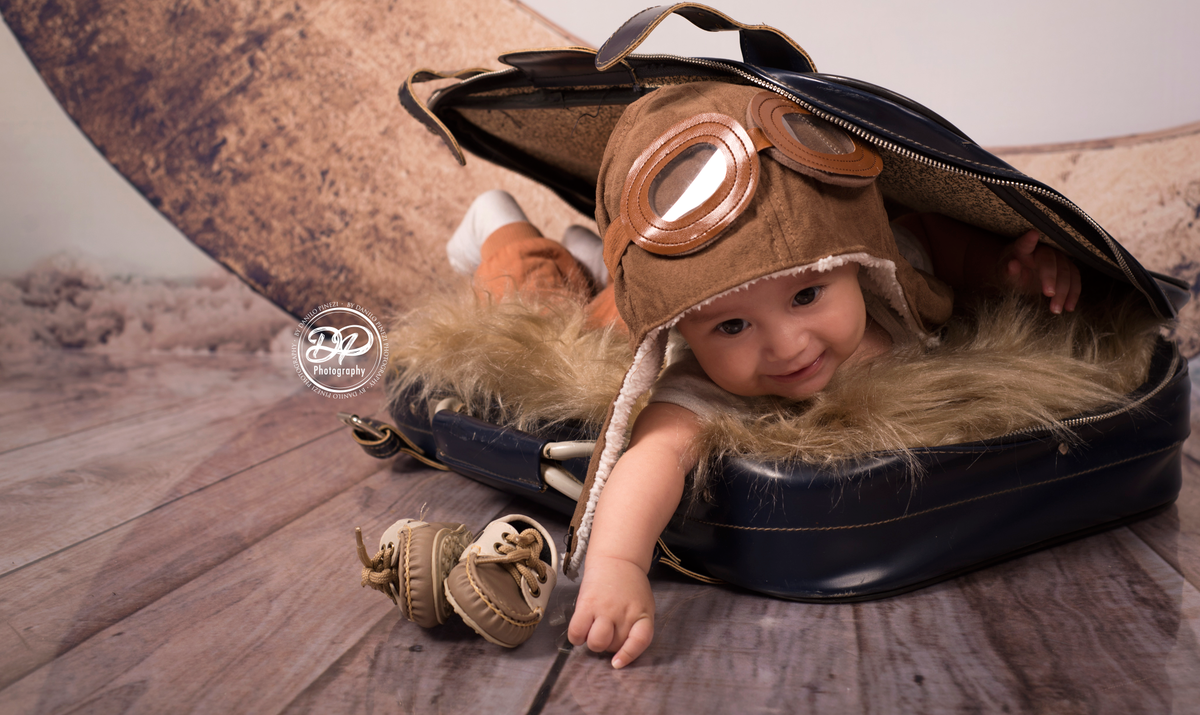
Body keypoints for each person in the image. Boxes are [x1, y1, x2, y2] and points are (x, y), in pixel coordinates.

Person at [447, 81, 1082, 669]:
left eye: (808, 296)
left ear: (857, 262)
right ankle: (500, 224)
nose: (786, 346)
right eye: (731, 328)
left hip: (668, 279)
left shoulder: (885, 271)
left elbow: (938, 242)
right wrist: (617, 563)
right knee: (543, 310)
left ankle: (592, 257)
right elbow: (654, 457)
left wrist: (1010, 271)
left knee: (599, 282)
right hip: (628, 314)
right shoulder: (703, 381)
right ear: (686, 331)